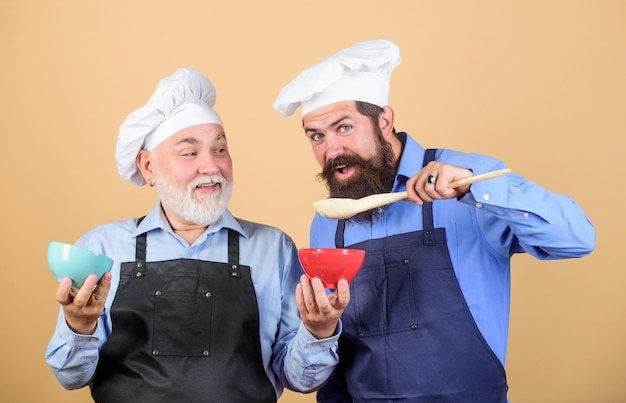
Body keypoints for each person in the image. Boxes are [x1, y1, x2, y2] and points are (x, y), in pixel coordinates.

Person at [273, 39, 596, 402]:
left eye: (344, 128)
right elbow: (336, 356)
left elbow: (577, 238)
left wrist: (474, 192)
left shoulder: (469, 180)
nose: (331, 150)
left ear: (384, 121)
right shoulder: (330, 220)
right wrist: (319, 328)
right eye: (317, 136)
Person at [45, 67, 350, 403]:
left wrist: (319, 332)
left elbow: (299, 380)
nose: (211, 166)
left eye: (220, 149)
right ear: (148, 166)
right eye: (190, 153)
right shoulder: (102, 248)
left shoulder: (273, 248)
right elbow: (71, 377)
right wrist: (78, 327)